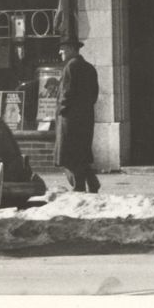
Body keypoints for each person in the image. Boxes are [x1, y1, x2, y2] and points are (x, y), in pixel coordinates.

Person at [55, 40, 100, 193]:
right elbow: (94, 95)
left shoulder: (70, 67)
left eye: (62, 49)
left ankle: (78, 185)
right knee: (81, 152)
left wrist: (61, 109)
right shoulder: (89, 68)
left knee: (69, 153)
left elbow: (66, 93)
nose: (60, 53)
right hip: (85, 117)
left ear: (71, 49)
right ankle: (92, 182)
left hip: (70, 119)